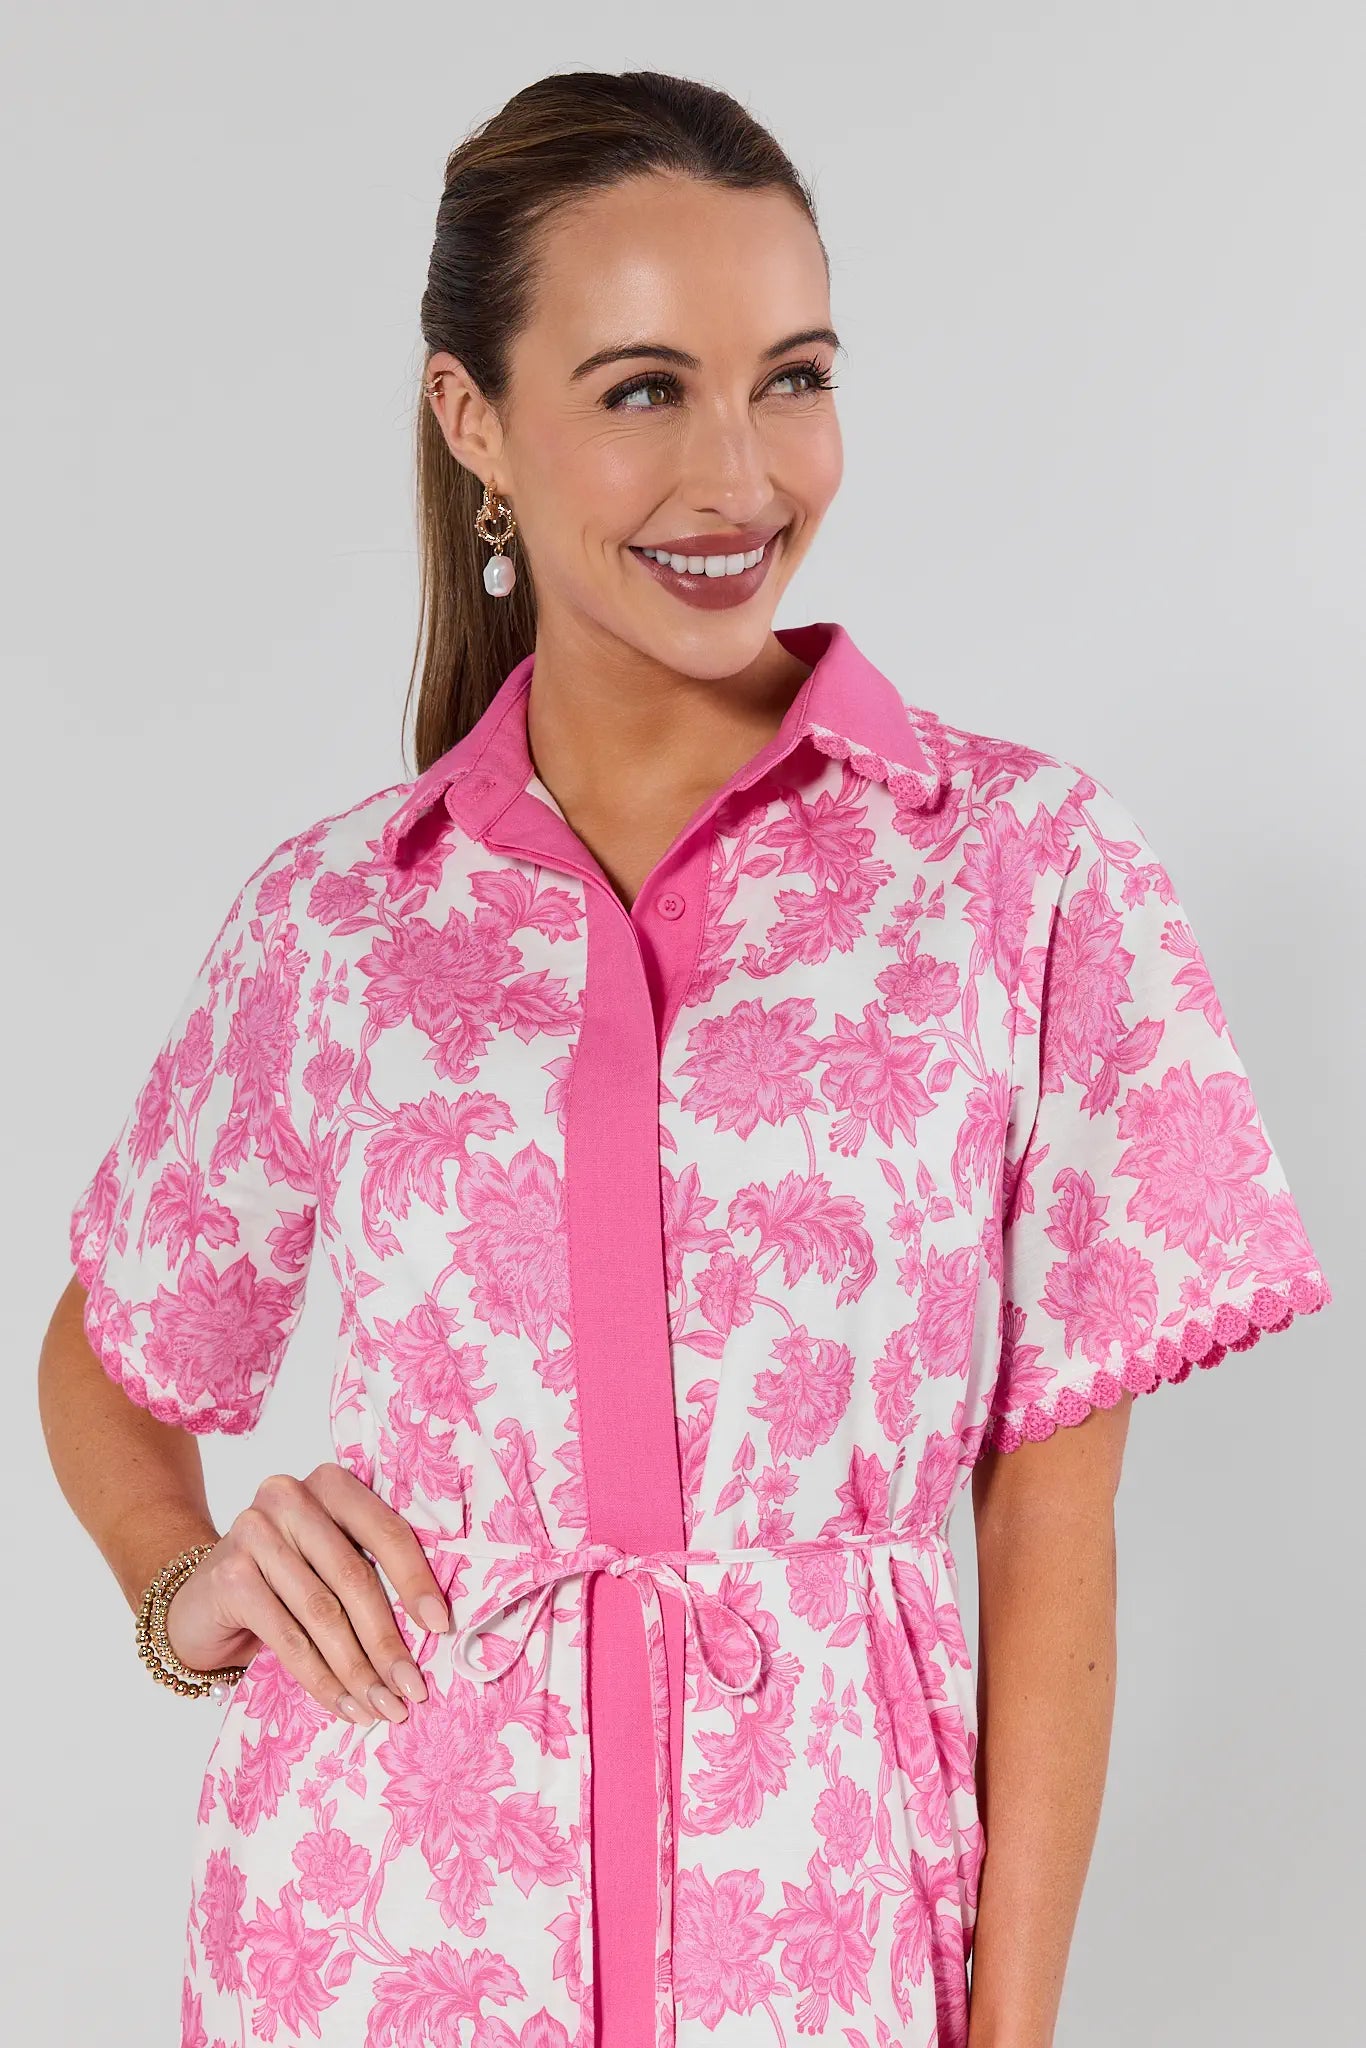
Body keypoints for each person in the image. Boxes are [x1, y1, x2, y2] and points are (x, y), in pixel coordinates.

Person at [39, 68, 1332, 2048]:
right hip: (374, 1947)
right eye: (643, 388)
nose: (740, 475)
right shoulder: (343, 918)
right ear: (472, 417)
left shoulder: (1019, 870)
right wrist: (183, 1579)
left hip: (812, 1951)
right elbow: (111, 1351)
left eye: (790, 377)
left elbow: (1049, 1533)